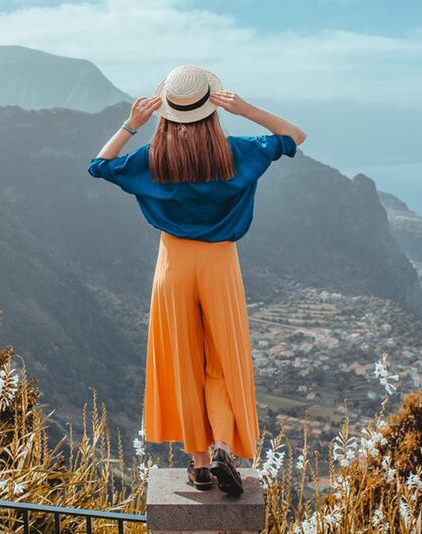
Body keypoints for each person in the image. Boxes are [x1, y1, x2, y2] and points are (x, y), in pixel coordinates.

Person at [87, 64, 306, 495]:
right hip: (220, 264)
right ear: (212, 108)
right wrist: (245, 109)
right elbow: (294, 135)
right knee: (221, 361)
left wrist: (132, 125)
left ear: (167, 111)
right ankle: (223, 444)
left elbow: (99, 165)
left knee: (184, 360)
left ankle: (201, 465)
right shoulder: (235, 153)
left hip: (172, 266)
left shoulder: (153, 159)